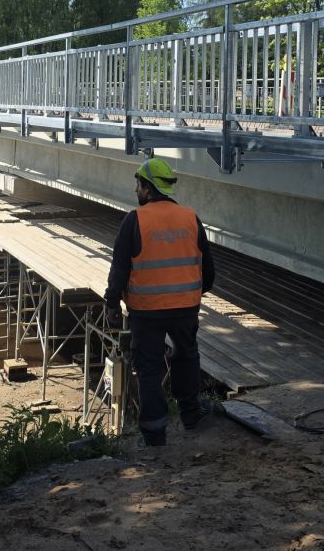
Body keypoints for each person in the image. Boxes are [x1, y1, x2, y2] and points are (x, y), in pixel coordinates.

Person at [104, 157, 216, 447]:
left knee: (150, 368)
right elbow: (209, 271)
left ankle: (154, 434)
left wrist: (112, 304)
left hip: (147, 312)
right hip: (185, 308)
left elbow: (119, 269)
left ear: (148, 187)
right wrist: (189, 295)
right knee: (187, 357)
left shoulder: (135, 220)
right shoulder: (191, 218)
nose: (136, 190)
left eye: (138, 184)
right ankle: (191, 414)